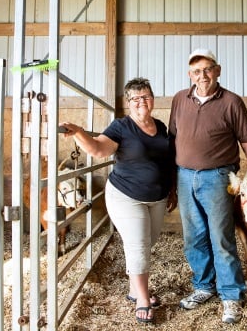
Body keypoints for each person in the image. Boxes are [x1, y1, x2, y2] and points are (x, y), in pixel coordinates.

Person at [59, 77, 176, 324]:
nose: (141, 101)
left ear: (152, 99)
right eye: (136, 98)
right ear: (128, 103)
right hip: (125, 196)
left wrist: (172, 190)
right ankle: (143, 299)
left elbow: (167, 162)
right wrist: (79, 132)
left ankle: (135, 289)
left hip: (156, 197)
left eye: (146, 96)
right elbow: (99, 149)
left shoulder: (161, 127)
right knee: (138, 245)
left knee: (149, 241)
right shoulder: (121, 127)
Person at [168, 48, 247, 324]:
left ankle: (231, 296)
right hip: (185, 176)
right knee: (194, 237)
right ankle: (203, 286)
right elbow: (172, 139)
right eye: (197, 71)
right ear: (190, 74)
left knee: (221, 238)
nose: (203, 76)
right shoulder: (179, 99)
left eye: (208, 69)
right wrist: (171, 182)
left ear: (218, 71)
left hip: (218, 177)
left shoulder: (232, 102)